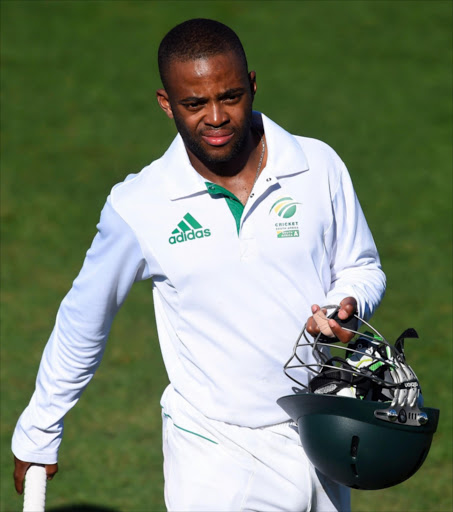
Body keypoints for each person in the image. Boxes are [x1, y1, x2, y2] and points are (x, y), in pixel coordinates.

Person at [13, 18, 386, 511]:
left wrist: (348, 305)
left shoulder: (318, 166)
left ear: (252, 85)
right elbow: (84, 319)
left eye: (229, 96)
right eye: (194, 104)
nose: (215, 117)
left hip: (320, 436)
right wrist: (39, 430)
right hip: (215, 455)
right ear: (167, 104)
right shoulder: (140, 205)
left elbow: (362, 265)